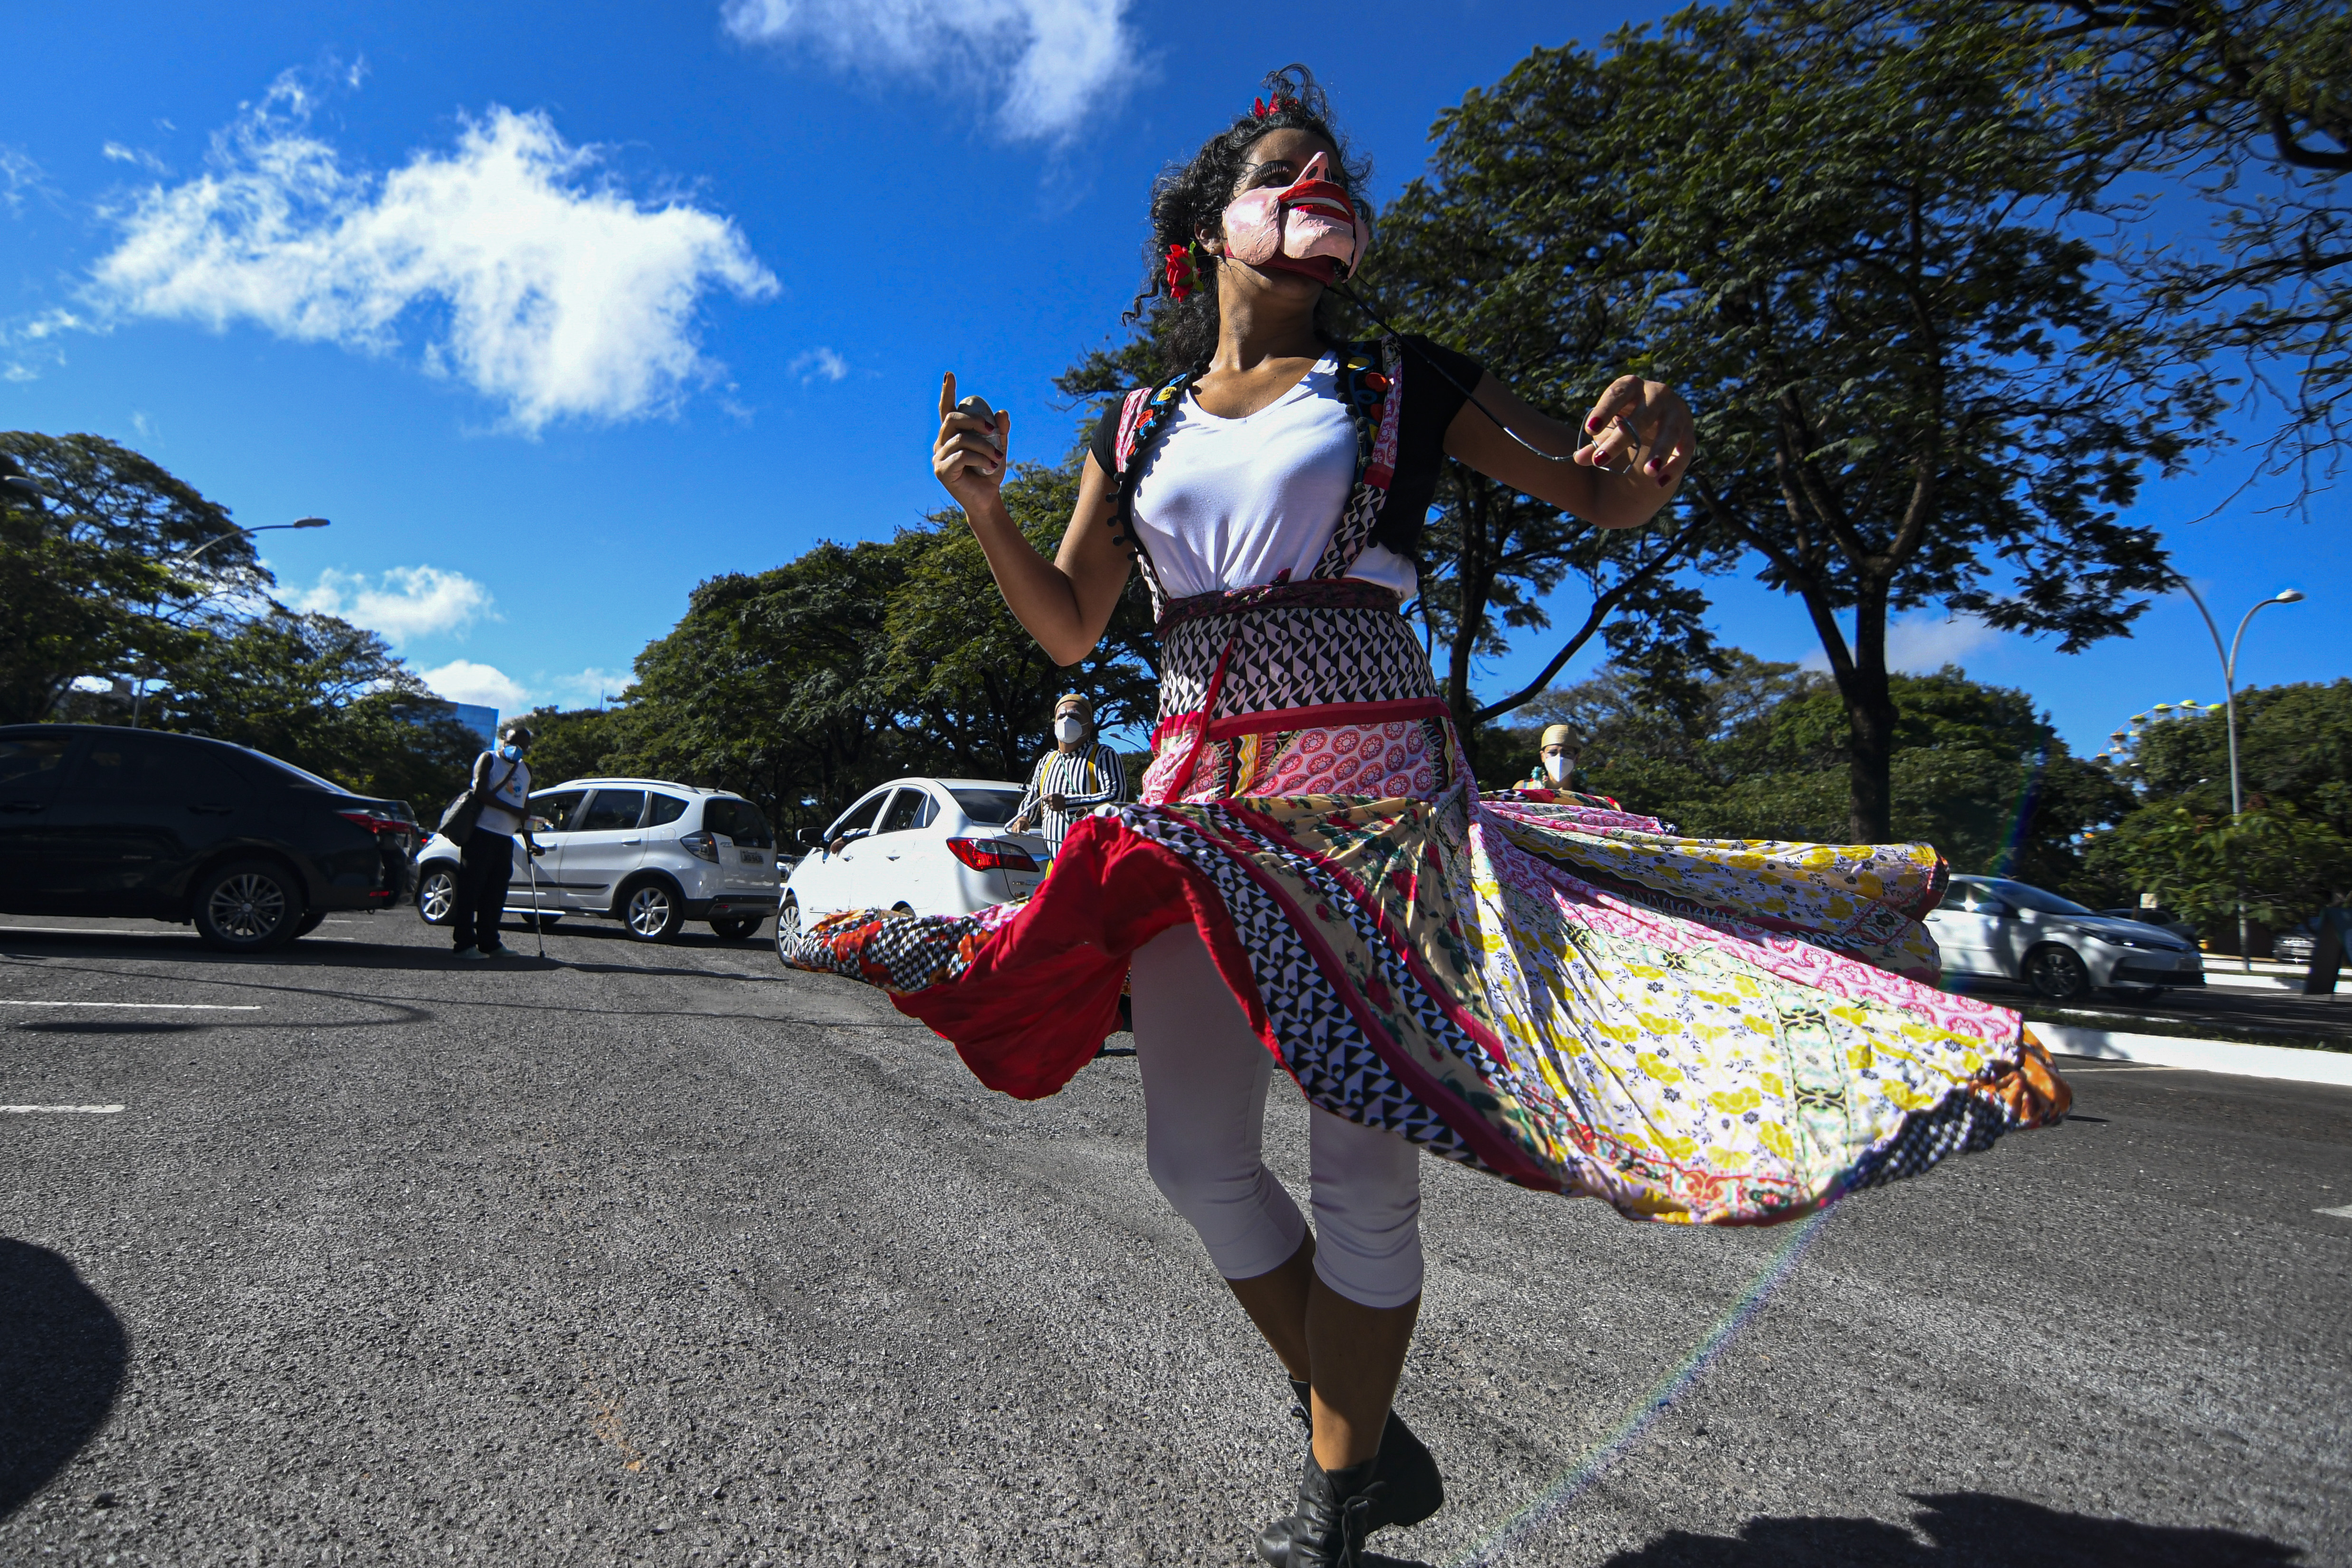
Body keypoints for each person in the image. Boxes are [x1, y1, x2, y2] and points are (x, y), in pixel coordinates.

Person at [786, 67, 2068, 1566]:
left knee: (1358, 1170)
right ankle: (1368, 1433)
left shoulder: (1403, 381)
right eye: (1287, 168)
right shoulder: (1129, 427)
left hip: (1377, 803)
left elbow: (1604, 499)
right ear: (1209, 228)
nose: (1321, 186)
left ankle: (1331, 1507)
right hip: (1190, 806)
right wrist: (987, 509)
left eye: (1336, 174)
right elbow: (1073, 629)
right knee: (1193, 1158)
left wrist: (1661, 424)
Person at [451, 725, 543, 960]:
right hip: (481, 833)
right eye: (513, 743)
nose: (517, 750)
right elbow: (481, 793)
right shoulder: (489, 759)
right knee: (471, 890)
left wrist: (529, 840)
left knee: (496, 893)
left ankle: (490, 942)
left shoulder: (526, 770)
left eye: (523, 747)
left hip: (505, 838)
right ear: (504, 741)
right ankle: (464, 944)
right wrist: (514, 810)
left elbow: (525, 806)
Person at [1011, 692, 1128, 854]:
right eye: (1062, 717)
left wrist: (1069, 803)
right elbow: (1033, 797)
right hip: (1056, 862)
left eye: (1075, 717)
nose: (1067, 721)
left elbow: (1116, 797)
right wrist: (1024, 817)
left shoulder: (1103, 755)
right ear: (1055, 724)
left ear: (1089, 725)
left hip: (1093, 861)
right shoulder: (1047, 761)